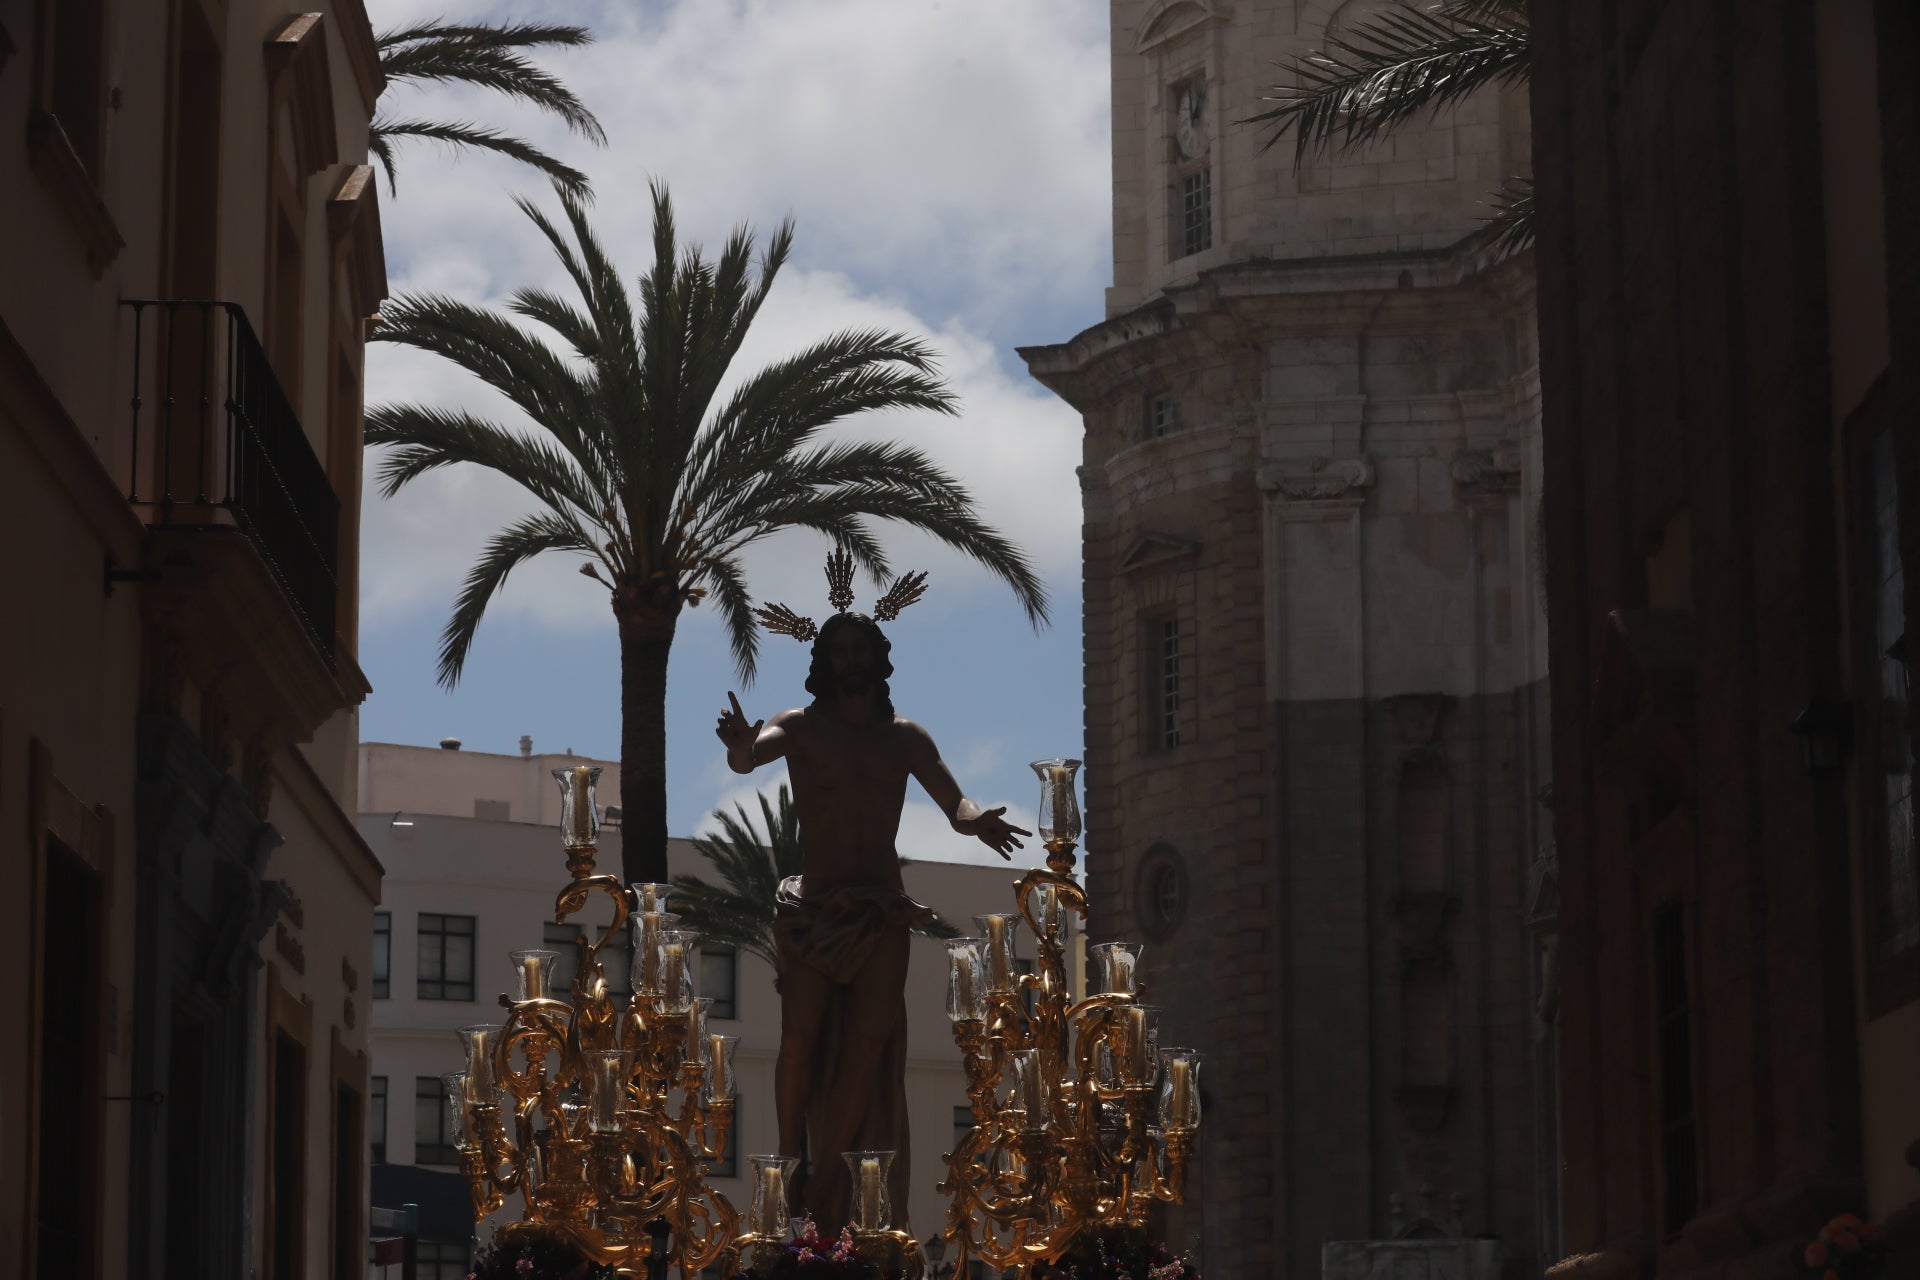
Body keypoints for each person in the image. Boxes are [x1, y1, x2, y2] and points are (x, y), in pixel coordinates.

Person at [715, 610, 1029, 1231]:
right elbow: (754, 757)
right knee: (800, 1035)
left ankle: (829, 1175)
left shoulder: (904, 737)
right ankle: (790, 1156)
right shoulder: (799, 727)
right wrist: (741, 748)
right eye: (841, 650)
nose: (852, 659)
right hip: (815, 907)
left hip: (882, 909)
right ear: (825, 662)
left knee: (868, 1042)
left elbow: (953, 801)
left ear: (879, 657)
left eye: (861, 648)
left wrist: (975, 819)